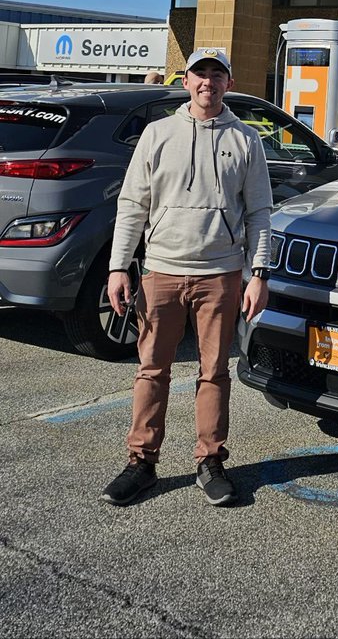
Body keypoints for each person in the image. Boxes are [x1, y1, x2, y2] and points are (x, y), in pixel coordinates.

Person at [100, 47, 273, 507]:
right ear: (186, 81)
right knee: (151, 370)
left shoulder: (246, 140)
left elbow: (259, 212)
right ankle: (142, 463)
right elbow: (132, 205)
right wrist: (119, 267)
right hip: (161, 272)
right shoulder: (158, 134)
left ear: (228, 84)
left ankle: (211, 460)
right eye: (200, 74)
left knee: (214, 372)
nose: (208, 83)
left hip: (221, 274)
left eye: (217, 75)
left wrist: (259, 273)